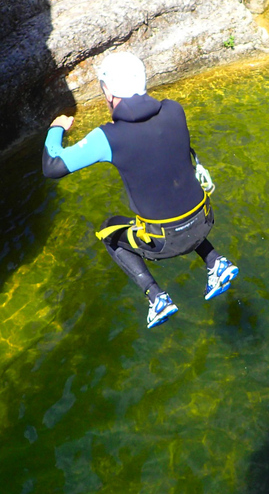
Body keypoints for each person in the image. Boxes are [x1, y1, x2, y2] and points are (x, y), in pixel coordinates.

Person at [42, 51, 238, 329]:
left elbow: (52, 167)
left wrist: (55, 129)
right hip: (204, 219)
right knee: (173, 194)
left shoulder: (107, 137)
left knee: (108, 230)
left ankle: (157, 297)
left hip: (163, 241)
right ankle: (215, 261)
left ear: (108, 92)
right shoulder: (174, 109)